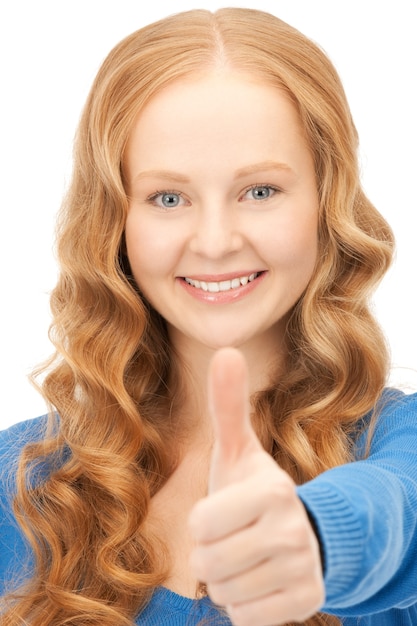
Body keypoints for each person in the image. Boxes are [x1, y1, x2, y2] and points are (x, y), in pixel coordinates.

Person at [1, 7, 416, 626]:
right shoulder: (26, 482)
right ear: (116, 221)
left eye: (260, 191)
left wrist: (311, 535)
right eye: (168, 198)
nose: (216, 241)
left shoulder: (398, 445)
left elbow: (396, 511)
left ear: (327, 201)